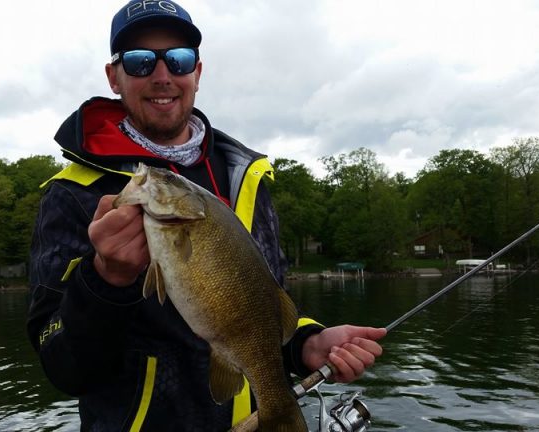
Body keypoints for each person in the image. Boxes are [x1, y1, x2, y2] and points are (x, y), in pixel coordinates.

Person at [26, 1, 387, 431]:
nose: (162, 76)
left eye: (178, 60)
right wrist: (106, 281)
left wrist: (307, 342)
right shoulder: (72, 194)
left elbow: (257, 302)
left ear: (197, 73)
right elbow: (63, 369)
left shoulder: (244, 177)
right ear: (114, 77)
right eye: (141, 62)